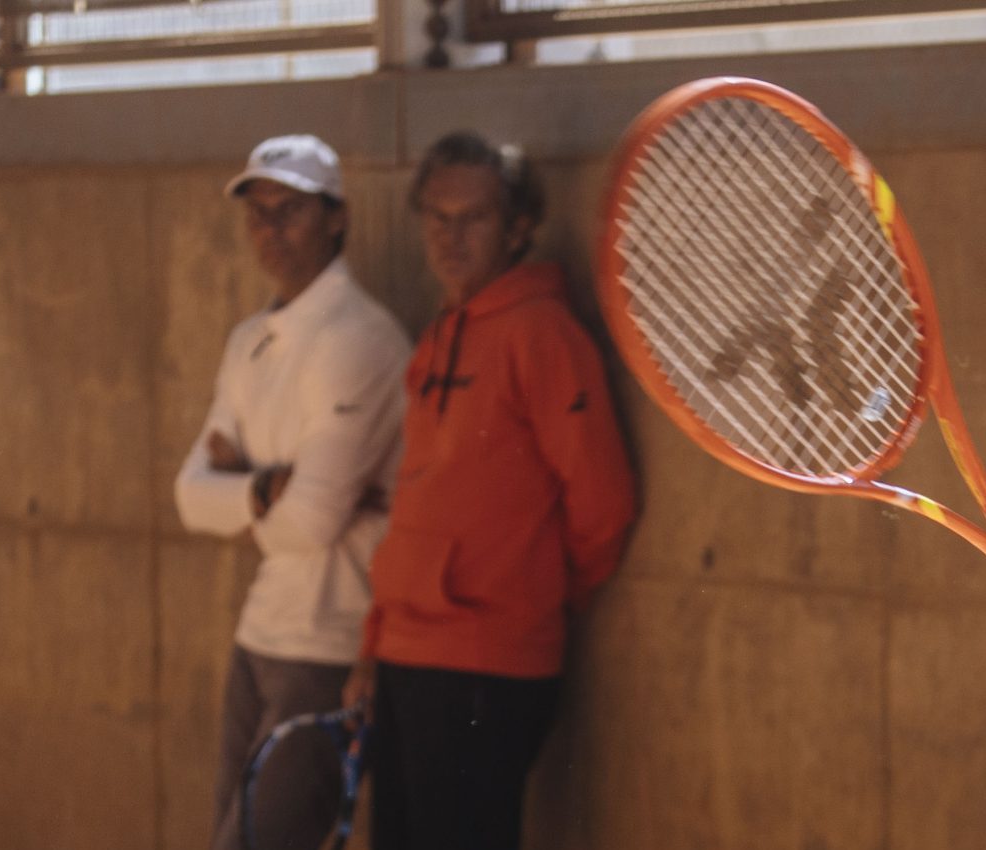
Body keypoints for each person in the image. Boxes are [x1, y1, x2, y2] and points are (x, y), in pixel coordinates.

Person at [344, 131, 639, 850]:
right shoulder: (440, 336)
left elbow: (604, 503)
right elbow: (418, 506)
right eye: (437, 218)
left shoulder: (542, 334)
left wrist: (535, 597)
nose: (451, 238)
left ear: (517, 227)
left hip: (486, 666)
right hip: (407, 660)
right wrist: (373, 652)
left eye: (473, 218)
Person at [174, 134, 411, 850]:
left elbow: (310, 522)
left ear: (337, 218)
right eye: (259, 213)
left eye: (291, 210)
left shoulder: (361, 338)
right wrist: (267, 487)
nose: (271, 230)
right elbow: (188, 497)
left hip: (330, 645)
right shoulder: (249, 339)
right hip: (259, 633)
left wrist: (244, 486)